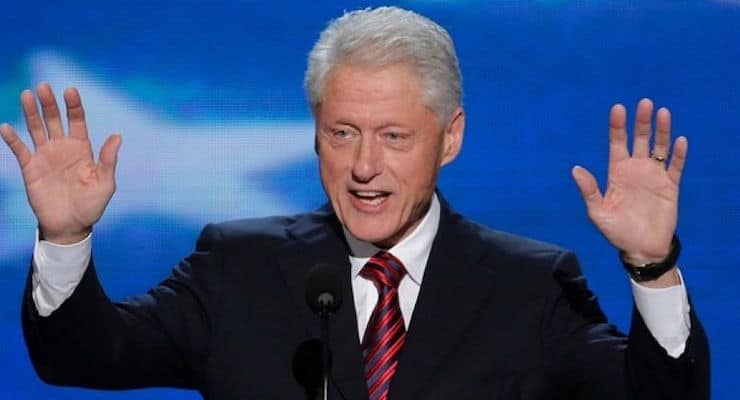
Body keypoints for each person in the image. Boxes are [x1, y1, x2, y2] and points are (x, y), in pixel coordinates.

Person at [1, 6, 708, 400]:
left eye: (394, 136)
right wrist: (63, 239)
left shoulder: (530, 285)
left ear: (450, 138)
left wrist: (653, 268)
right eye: (343, 134)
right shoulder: (237, 267)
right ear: (315, 136)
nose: (365, 167)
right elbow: (83, 358)